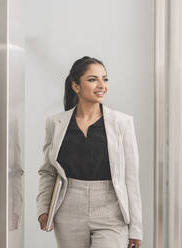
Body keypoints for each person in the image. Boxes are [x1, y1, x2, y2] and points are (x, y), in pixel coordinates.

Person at [36, 56, 143, 248]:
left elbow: (130, 179)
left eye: (105, 78)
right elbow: (47, 171)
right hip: (68, 208)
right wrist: (44, 209)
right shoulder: (56, 123)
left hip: (112, 210)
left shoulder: (122, 123)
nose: (102, 85)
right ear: (76, 86)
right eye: (93, 79)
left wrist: (136, 228)